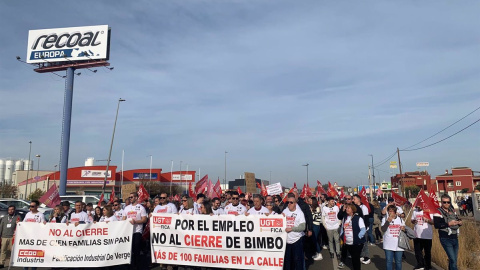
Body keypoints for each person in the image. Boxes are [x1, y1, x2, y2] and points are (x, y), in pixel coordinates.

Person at [434, 194, 462, 270]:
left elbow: (458, 219)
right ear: (441, 202)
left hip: (454, 237)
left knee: (454, 260)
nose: (446, 204)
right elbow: (436, 225)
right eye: (444, 202)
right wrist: (448, 224)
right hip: (445, 237)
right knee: (452, 259)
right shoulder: (438, 212)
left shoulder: (452, 211)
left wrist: (460, 223)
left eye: (448, 202)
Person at [122, 192, 148, 270]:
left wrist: (136, 222)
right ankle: (130, 265)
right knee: (129, 249)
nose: (130, 198)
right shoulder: (126, 208)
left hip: (137, 230)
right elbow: (123, 219)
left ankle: (137, 265)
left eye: (132, 197)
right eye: (129, 197)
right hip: (128, 231)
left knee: (136, 248)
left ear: (136, 198)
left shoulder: (141, 207)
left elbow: (144, 219)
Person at [282, 194, 306, 270]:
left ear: (295, 203)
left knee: (298, 261)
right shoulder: (285, 211)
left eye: (291, 202)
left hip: (297, 240)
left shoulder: (299, 213)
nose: (289, 204)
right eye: (288, 202)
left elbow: (303, 227)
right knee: (288, 261)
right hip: (287, 241)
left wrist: (292, 229)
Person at [339, 203, 366, 270]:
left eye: (348, 208)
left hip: (356, 243)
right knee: (353, 258)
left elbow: (363, 229)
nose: (346, 209)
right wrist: (342, 236)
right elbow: (342, 228)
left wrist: (358, 237)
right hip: (347, 242)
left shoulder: (358, 218)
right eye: (346, 208)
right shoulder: (345, 218)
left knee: (355, 258)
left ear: (352, 210)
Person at [23, 200, 45, 270]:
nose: (31, 208)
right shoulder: (28, 214)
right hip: (27, 238)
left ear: (37, 207)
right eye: (30, 206)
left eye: (32, 206)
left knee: (34, 255)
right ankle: (25, 268)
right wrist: (19, 223)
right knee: (26, 254)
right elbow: (23, 223)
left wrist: (44, 224)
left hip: (36, 238)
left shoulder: (41, 215)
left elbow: (43, 226)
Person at [381, 205, 405, 270]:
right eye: (389, 211)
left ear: (395, 212)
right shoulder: (385, 219)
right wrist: (388, 221)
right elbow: (383, 229)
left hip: (399, 244)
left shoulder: (400, 219)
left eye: (392, 211)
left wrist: (404, 229)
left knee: (398, 261)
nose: (390, 213)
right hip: (388, 244)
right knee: (389, 261)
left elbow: (405, 230)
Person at [412, 205, 433, 270]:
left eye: (420, 204)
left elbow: (433, 222)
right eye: (417, 205)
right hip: (417, 235)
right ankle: (420, 264)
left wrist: (427, 220)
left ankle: (428, 265)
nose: (418, 206)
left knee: (427, 252)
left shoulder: (429, 211)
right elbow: (412, 220)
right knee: (418, 251)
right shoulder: (415, 211)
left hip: (427, 235)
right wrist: (413, 221)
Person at [353, 194, 371, 265]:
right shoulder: (354, 207)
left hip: (363, 228)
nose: (353, 200)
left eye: (354, 199)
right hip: (356, 228)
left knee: (364, 243)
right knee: (358, 243)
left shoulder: (364, 207)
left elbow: (366, 219)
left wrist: (365, 228)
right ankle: (361, 255)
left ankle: (367, 257)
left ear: (358, 200)